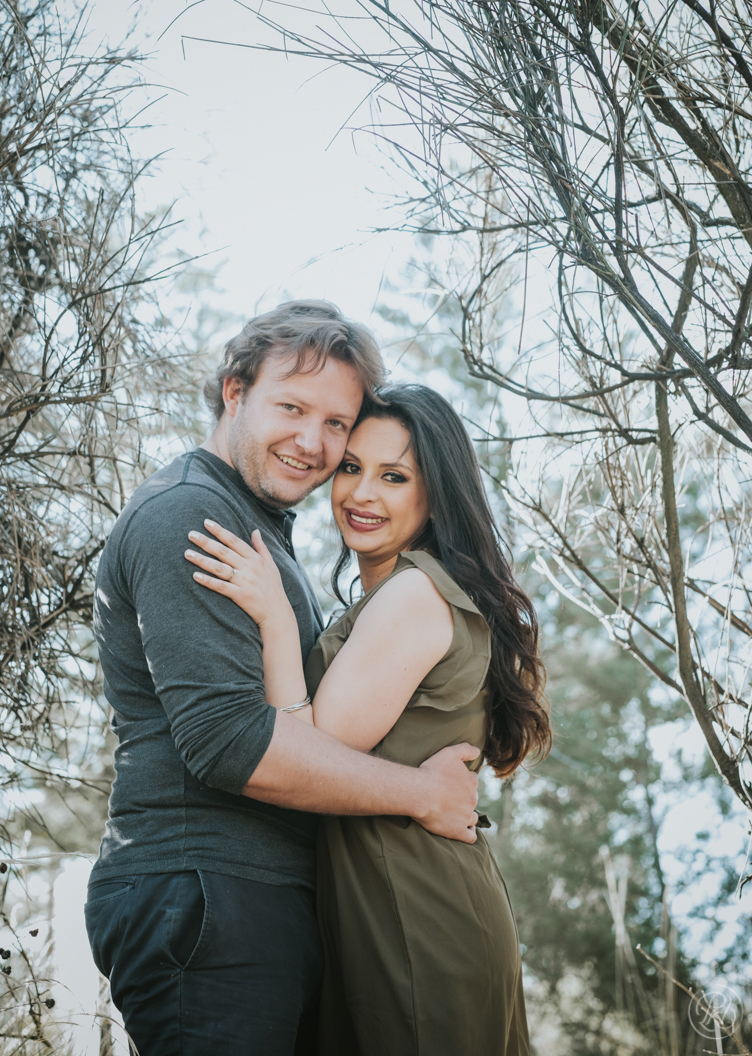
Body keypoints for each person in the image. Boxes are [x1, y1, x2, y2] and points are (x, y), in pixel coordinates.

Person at [85, 302, 481, 1056]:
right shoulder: (193, 514)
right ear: (235, 391)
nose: (314, 442)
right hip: (204, 894)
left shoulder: (258, 526)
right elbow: (231, 743)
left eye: (337, 423)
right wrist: (422, 794)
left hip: (252, 899)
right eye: (292, 408)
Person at [185, 382, 552, 1056]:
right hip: (392, 906)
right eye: (351, 467)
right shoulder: (398, 594)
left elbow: (309, 749)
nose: (361, 494)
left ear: (434, 494)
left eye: (394, 476)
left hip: (418, 916)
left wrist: (270, 616)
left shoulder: (414, 593)